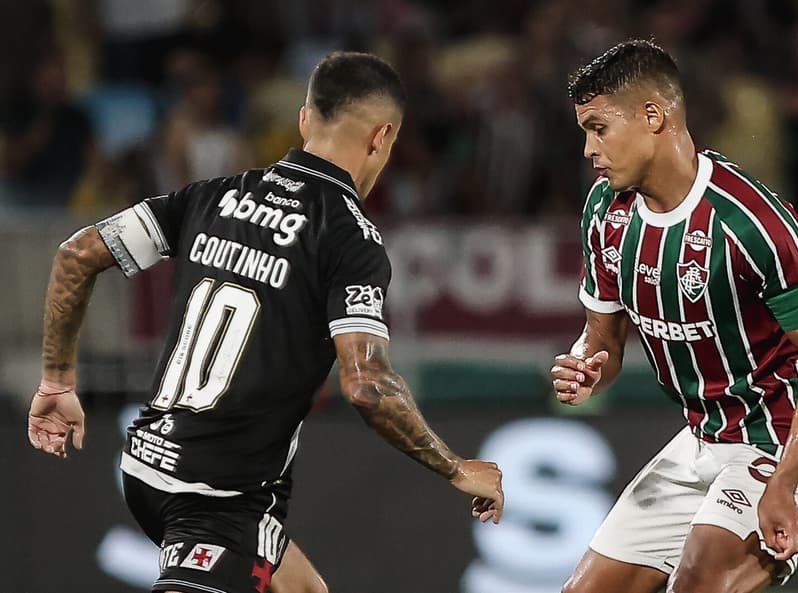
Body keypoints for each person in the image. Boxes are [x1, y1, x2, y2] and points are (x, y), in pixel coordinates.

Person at [27, 51, 504, 593]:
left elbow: (76, 255)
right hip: (217, 499)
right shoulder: (349, 238)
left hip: (145, 463)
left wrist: (56, 381)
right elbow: (367, 386)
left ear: (304, 120)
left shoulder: (212, 195)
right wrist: (455, 467)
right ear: (382, 137)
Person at [550, 40, 798, 593]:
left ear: (653, 116)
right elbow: (601, 340)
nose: (588, 149)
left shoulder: (749, 221)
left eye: (599, 128)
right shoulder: (605, 211)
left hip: (792, 438)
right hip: (705, 434)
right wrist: (585, 367)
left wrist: (784, 484)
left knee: (699, 582)